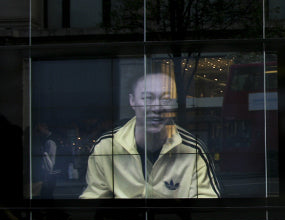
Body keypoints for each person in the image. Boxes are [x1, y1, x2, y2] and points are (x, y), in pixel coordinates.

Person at [80, 73, 221, 198]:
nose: (156, 108)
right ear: (132, 101)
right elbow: (94, 204)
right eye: (147, 98)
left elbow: (206, 208)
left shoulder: (193, 150)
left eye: (166, 99)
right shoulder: (106, 147)